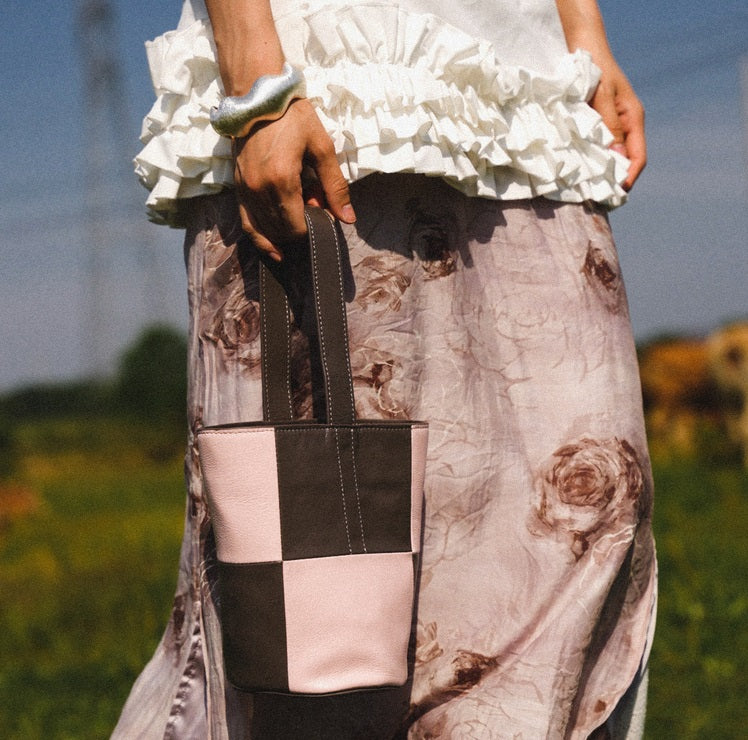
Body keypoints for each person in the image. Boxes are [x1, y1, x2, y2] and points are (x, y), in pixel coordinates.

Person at [113, 0, 656, 737]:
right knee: (312, 637)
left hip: (532, 100)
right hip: (326, 93)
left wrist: (586, 37)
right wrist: (256, 84)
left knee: (586, 521)